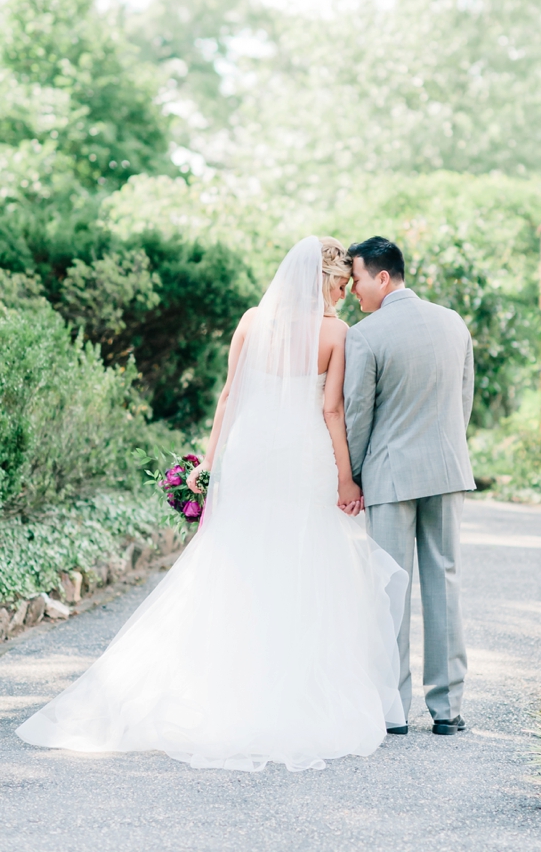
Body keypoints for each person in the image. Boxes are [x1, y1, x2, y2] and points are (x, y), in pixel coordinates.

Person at [17, 237, 407, 773]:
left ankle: (221, 681)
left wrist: (210, 467)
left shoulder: (252, 320)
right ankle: (286, 686)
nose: (342, 295)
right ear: (324, 281)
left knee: (238, 559)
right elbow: (332, 409)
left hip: (249, 453)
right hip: (302, 456)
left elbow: (228, 396)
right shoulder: (337, 332)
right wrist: (346, 478)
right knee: (302, 562)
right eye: (339, 285)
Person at [344, 236, 475, 736]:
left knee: (389, 588)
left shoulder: (366, 334)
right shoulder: (453, 323)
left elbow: (359, 412)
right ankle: (447, 710)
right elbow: (463, 401)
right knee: (445, 582)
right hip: (446, 468)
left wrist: (353, 474)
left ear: (382, 277)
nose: (353, 290)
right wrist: (446, 448)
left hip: (390, 475)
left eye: (356, 279)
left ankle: (392, 710)